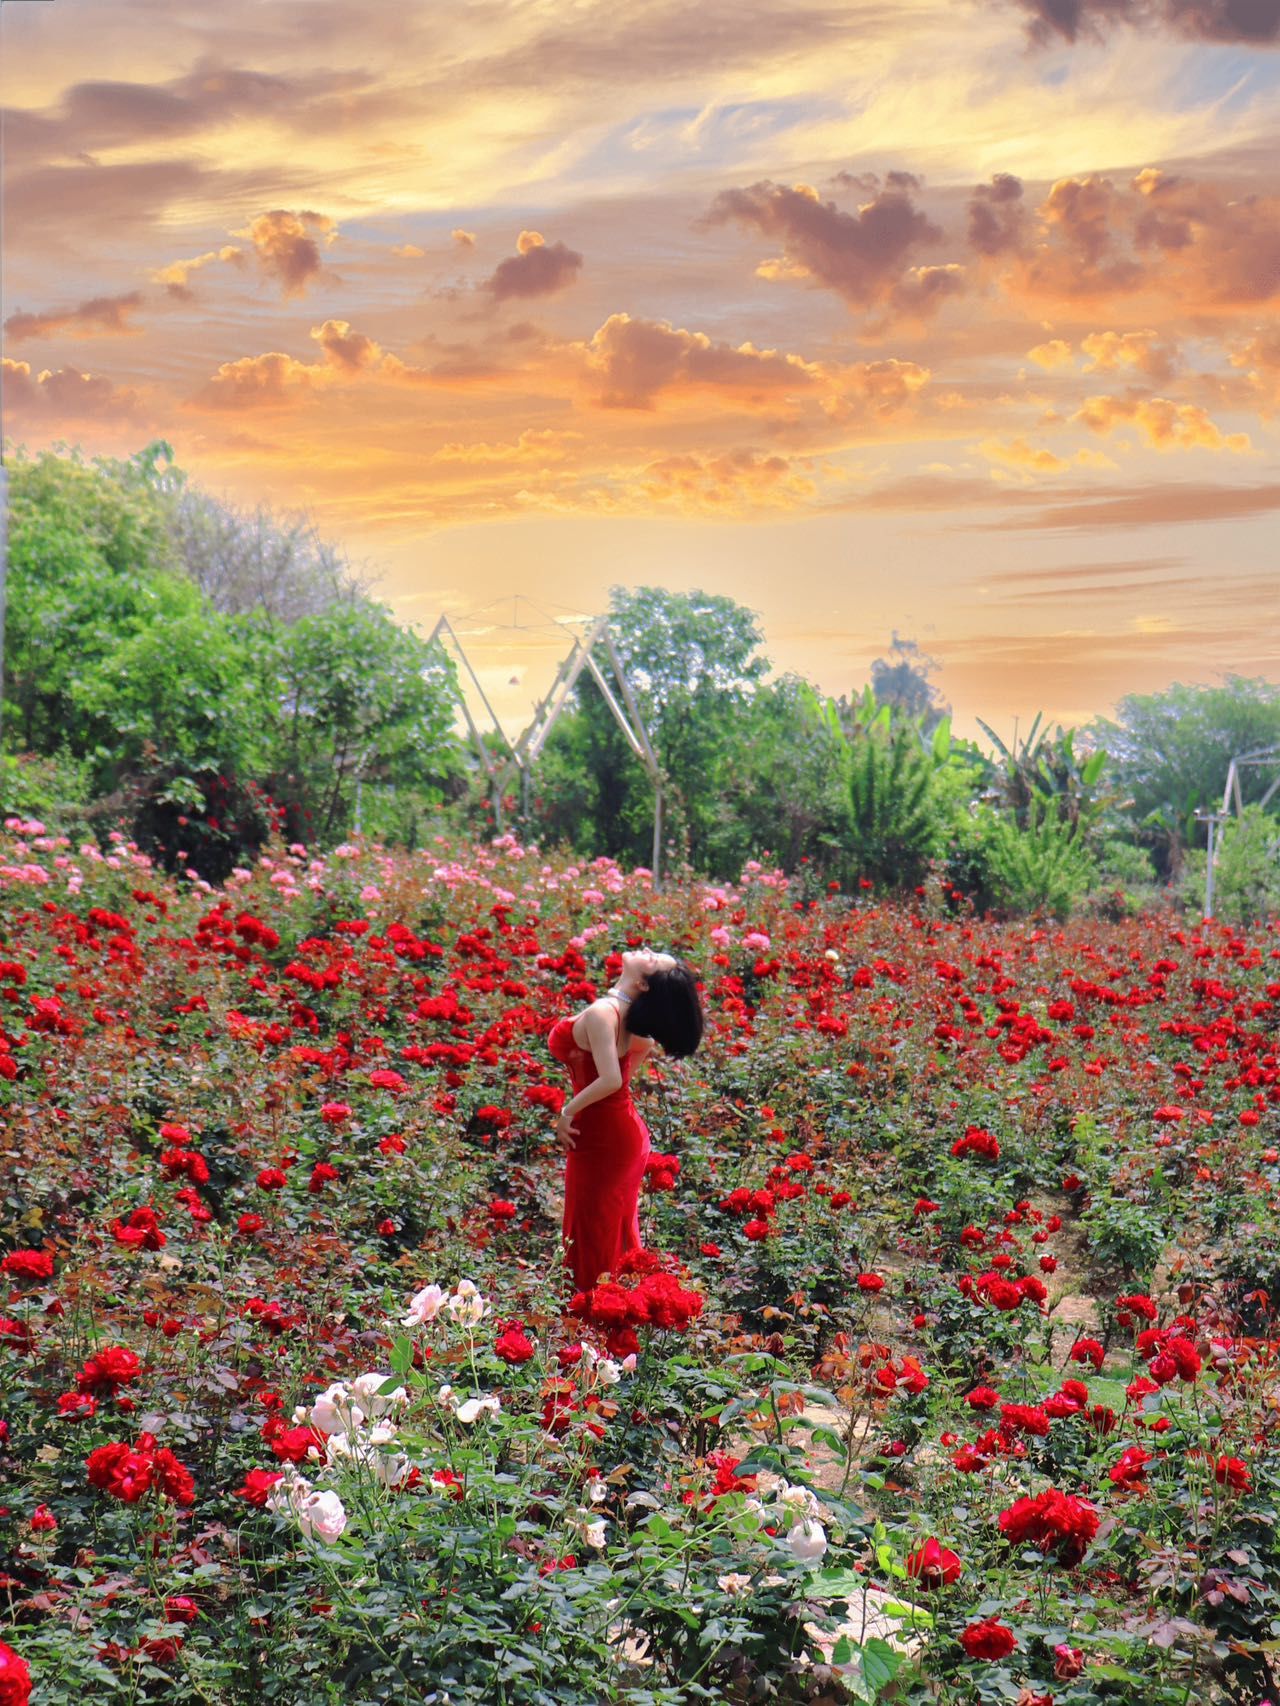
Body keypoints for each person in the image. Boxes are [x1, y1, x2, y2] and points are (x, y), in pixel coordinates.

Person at [547, 948, 704, 1295]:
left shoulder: (605, 1013)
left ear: (645, 984)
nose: (647, 950)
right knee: (605, 1227)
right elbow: (633, 1058)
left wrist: (567, 1112)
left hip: (603, 1136)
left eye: (653, 959)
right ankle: (607, 1310)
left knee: (592, 1230)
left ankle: (595, 1315)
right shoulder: (631, 1021)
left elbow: (612, 1080)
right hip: (619, 1131)